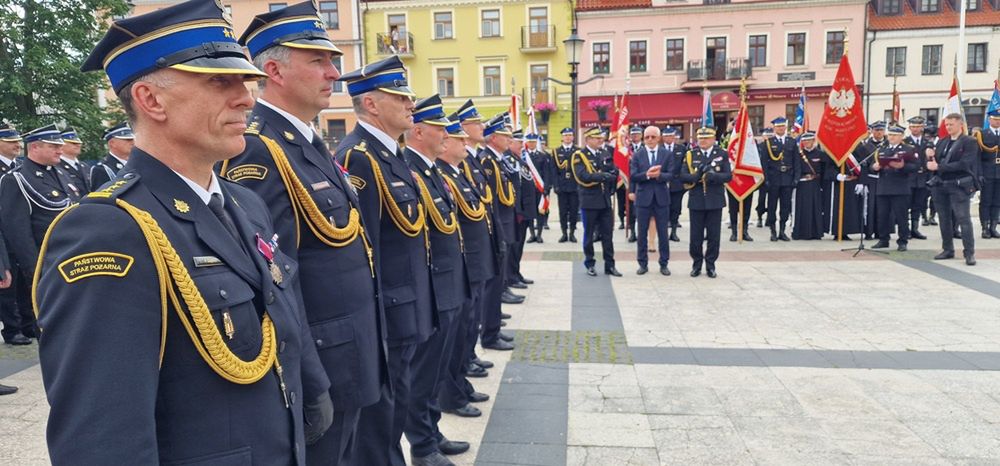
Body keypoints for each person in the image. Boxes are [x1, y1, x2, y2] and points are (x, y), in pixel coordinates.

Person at [36, 1, 333, 463]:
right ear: (151, 100)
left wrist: (313, 388)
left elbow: (281, 310)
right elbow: (102, 436)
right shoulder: (109, 229)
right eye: (219, 81)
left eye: (246, 81)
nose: (246, 98)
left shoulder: (243, 202)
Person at [221, 4, 383, 464]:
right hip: (322, 359)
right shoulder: (260, 148)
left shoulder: (308, 142)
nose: (334, 72)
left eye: (332, 60)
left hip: (350, 346)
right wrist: (308, 379)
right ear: (274, 70)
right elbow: (274, 279)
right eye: (318, 60)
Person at [335, 56, 433, 466]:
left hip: (406, 303)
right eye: (400, 96)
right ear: (372, 104)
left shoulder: (391, 154)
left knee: (398, 403)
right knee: (380, 420)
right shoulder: (359, 156)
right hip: (389, 308)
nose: (410, 104)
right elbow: (367, 245)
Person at [402, 95, 472, 466]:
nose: (446, 134)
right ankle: (422, 445)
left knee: (435, 371)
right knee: (423, 371)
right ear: (418, 132)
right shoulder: (410, 168)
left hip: (447, 284)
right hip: (430, 287)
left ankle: (431, 432)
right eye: (439, 128)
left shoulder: (429, 170)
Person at [436, 113, 493, 444]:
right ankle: (453, 394)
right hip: (458, 268)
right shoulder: (441, 174)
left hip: (470, 264)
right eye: (458, 139)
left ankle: (460, 386)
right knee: (453, 341)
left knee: (466, 331)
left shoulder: (454, 174)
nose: (463, 142)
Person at [0, 124, 82, 341]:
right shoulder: (17, 180)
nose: (60, 150)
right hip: (46, 264)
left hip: (74, 258)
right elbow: (18, 231)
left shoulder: (62, 174)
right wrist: (35, 271)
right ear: (35, 147)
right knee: (52, 328)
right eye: (53, 146)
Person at [454, 100, 507, 379]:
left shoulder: (472, 158)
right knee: (468, 313)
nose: (482, 126)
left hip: (482, 239)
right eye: (476, 123)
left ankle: (470, 355)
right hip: (469, 249)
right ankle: (468, 357)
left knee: (473, 311)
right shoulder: (463, 160)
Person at [476, 114, 518, 351]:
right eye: (505, 135)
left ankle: (493, 324)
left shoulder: (499, 160)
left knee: (497, 279)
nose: (509, 138)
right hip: (496, 222)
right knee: (492, 282)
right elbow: (490, 199)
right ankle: (489, 329)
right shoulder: (487, 161)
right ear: (493, 138)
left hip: (502, 221)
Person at [679, 127, 731, 278]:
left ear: (713, 139)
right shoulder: (690, 154)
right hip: (697, 200)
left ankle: (710, 265)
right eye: (700, 138)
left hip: (715, 200)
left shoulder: (721, 154)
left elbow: (728, 176)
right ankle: (696, 264)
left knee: (714, 236)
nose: (703, 141)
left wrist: (714, 176)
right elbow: (682, 176)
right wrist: (696, 176)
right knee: (695, 237)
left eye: (706, 138)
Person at [928, 113, 979, 265]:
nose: (948, 127)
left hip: (959, 185)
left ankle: (969, 253)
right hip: (941, 185)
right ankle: (947, 249)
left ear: (960, 124)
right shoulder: (943, 141)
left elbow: (965, 164)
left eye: (951, 124)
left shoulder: (969, 141)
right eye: (947, 125)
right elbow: (936, 162)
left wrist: (940, 166)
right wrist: (930, 156)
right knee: (944, 219)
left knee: (963, 219)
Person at [573, 127, 620, 277]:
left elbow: (613, 171)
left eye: (601, 138)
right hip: (590, 201)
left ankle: (610, 265)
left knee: (608, 235)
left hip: (605, 201)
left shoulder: (604, 153)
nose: (600, 140)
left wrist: (610, 177)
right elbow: (582, 176)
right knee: (589, 235)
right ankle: (590, 263)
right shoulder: (579, 155)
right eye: (596, 138)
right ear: (588, 139)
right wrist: (603, 176)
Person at [0, 124, 31, 347]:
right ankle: (12, 329)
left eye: (18, 141)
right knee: (7, 286)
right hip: (3, 235)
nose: (18, 145)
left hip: (16, 231)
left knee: (23, 284)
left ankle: (27, 323)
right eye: (11, 142)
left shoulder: (20, 168)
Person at [630, 126, 672, 276]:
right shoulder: (637, 154)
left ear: (659, 138)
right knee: (641, 233)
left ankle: (664, 263)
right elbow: (633, 175)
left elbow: (672, 174)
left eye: (653, 137)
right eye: (647, 137)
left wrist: (659, 176)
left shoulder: (666, 154)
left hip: (661, 198)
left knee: (663, 233)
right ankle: (642, 263)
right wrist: (647, 175)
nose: (650, 140)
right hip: (643, 199)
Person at [872, 125, 917, 251]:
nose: (891, 137)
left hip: (900, 187)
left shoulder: (908, 149)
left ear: (901, 136)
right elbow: (873, 165)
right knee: (882, 215)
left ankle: (902, 241)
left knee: (901, 216)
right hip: (883, 187)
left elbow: (915, 166)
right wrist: (874, 167)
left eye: (895, 135)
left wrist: (902, 166)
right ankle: (883, 239)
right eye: (890, 134)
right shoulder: (882, 149)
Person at [762, 117, 800, 241]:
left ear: (786, 127)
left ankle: (782, 231)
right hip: (774, 179)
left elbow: (796, 162)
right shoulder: (768, 142)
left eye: (783, 126)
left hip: (787, 179)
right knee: (772, 206)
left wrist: (796, 178)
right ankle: (773, 231)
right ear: (774, 128)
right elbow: (764, 163)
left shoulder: (792, 142)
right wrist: (766, 179)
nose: (781, 128)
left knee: (785, 206)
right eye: (778, 127)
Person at [508, 130, 535, 290]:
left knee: (519, 247)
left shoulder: (518, 159)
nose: (522, 146)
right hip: (518, 212)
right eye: (519, 143)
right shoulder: (509, 160)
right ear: (511, 143)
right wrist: (518, 211)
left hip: (525, 211)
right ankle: (511, 276)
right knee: (514, 247)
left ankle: (516, 273)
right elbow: (514, 189)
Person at [854, 121, 888, 239]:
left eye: (881, 130)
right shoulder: (865, 146)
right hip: (871, 179)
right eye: (876, 130)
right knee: (870, 207)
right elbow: (862, 164)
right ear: (872, 131)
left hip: (885, 179)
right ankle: (869, 231)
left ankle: (881, 232)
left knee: (883, 207)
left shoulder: (888, 144)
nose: (879, 132)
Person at [792, 132, 825, 240]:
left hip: (815, 184)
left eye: (809, 140)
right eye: (804, 141)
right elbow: (796, 168)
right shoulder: (799, 154)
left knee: (815, 208)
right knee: (802, 208)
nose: (806, 143)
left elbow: (823, 170)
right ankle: (801, 233)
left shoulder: (820, 153)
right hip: (802, 184)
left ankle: (816, 233)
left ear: (813, 141)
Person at [904, 116, 933, 240]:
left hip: (922, 178)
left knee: (919, 204)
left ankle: (915, 229)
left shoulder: (928, 142)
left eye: (918, 126)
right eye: (913, 126)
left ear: (922, 127)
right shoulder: (905, 142)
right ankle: (905, 229)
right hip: (909, 178)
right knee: (906, 205)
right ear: (910, 128)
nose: (916, 129)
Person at [526, 133, 554, 243]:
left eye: (533, 142)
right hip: (528, 190)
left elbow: (546, 173)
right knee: (529, 213)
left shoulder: (542, 156)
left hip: (539, 189)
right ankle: (532, 234)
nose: (532, 144)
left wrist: (546, 187)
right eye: (530, 142)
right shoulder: (524, 156)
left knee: (540, 212)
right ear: (527, 143)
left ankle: (539, 234)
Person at [89, 122, 135, 189]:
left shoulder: (137, 164)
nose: (133, 143)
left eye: (133, 139)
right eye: (128, 140)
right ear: (112, 143)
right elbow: (100, 198)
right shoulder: (102, 170)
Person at [553, 127, 580, 242]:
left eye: (570, 135)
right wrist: (556, 185)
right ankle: (564, 233)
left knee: (574, 211)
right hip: (562, 186)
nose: (568, 137)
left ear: (573, 137)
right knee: (563, 212)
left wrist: (580, 185)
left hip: (575, 186)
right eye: (565, 135)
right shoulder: (556, 152)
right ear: (562, 137)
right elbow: (553, 170)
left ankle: (572, 232)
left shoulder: (578, 151)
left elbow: (580, 170)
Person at [977, 110, 1000, 238]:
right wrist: (979, 173)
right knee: (986, 201)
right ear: (989, 120)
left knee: (997, 201)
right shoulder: (982, 134)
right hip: (987, 171)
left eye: (999, 119)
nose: (997, 121)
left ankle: (993, 227)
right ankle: (985, 228)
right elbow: (978, 156)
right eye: (995, 119)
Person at [661, 127, 686, 242]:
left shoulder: (681, 148)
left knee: (676, 208)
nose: (669, 138)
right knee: (663, 209)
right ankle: (663, 233)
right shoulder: (659, 149)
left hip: (677, 184)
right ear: (662, 137)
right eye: (666, 136)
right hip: (662, 183)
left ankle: (674, 232)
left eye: (671, 136)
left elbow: (684, 166)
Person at [58, 127, 91, 193]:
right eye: (73, 143)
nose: (78, 145)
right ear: (62, 145)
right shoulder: (57, 166)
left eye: (79, 143)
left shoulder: (85, 166)